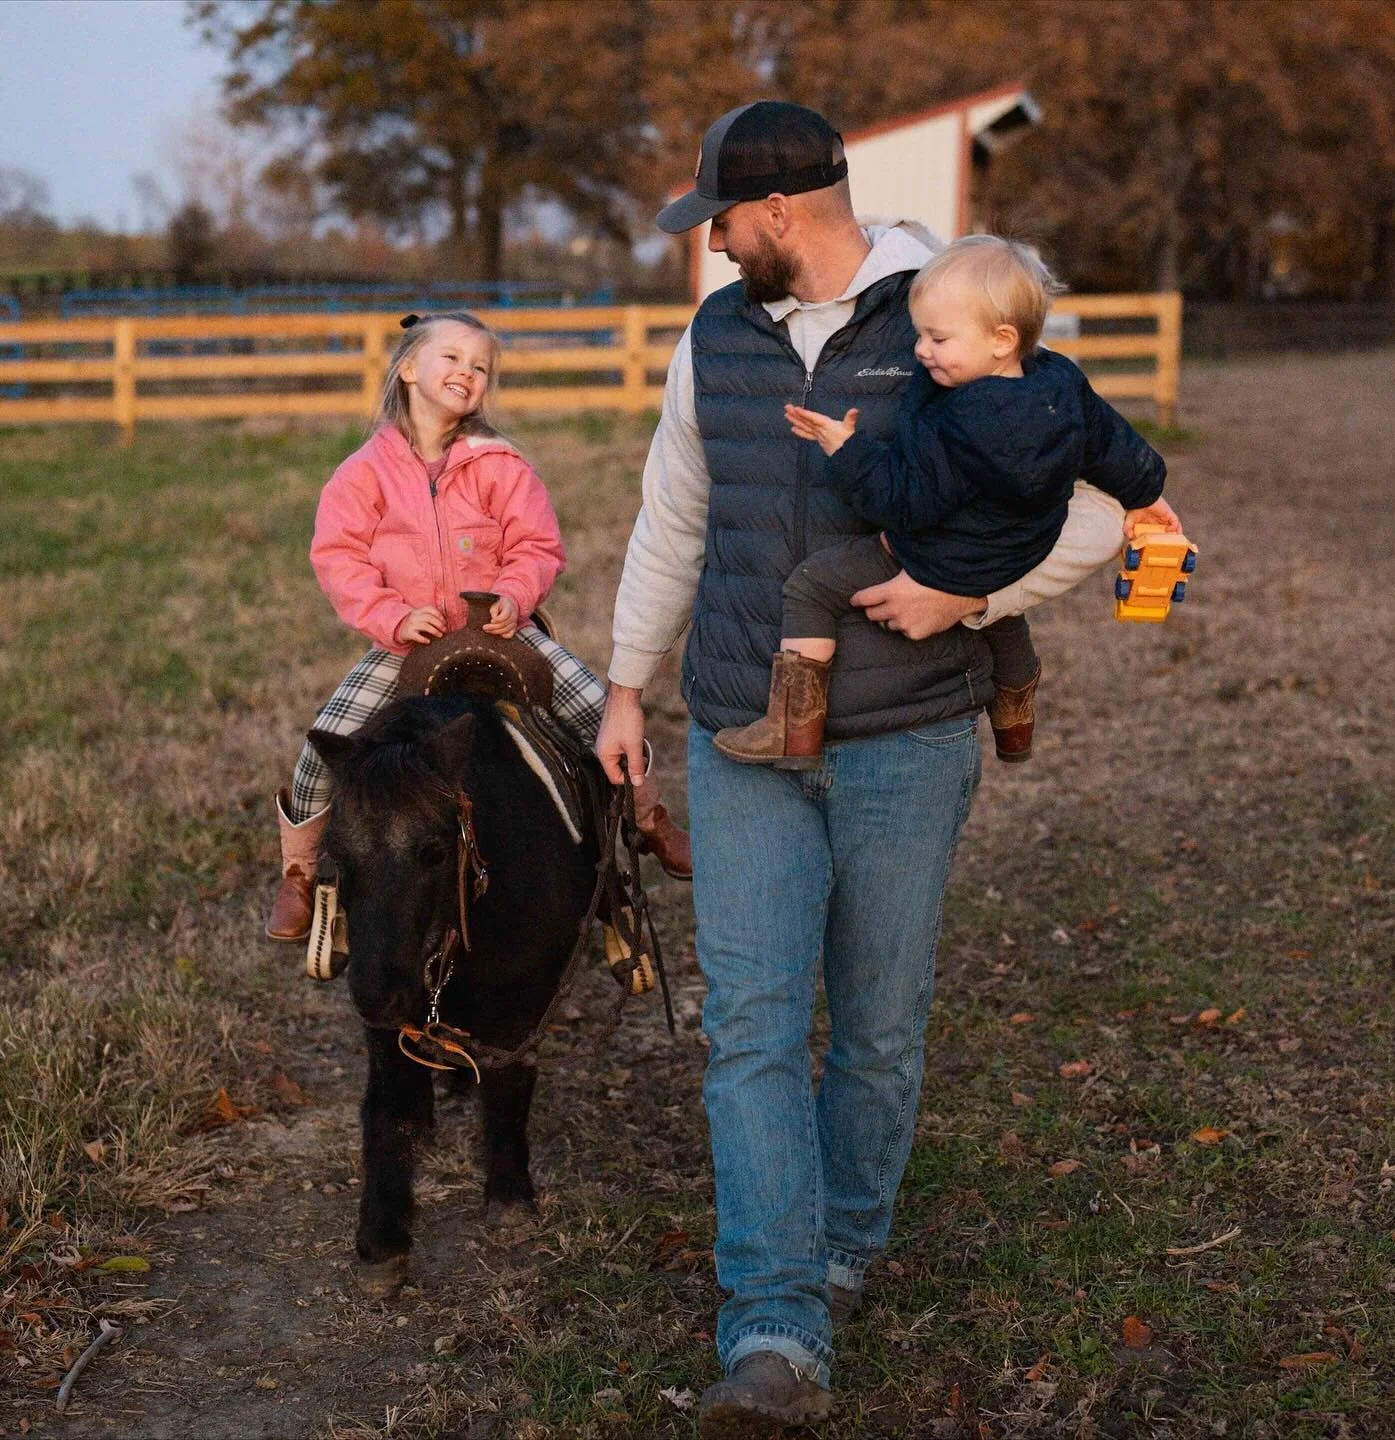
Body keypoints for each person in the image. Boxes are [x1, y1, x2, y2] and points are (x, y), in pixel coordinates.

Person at [593, 101, 1142, 1434]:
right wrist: (622, 683)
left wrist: (970, 603)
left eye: (721, 222)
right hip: (740, 731)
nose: (715, 249)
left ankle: (843, 1241)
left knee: (880, 1031)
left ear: (776, 212)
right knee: (755, 1031)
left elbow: (1100, 508)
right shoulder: (712, 338)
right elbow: (677, 512)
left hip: (904, 740)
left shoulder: (952, 310)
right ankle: (775, 1320)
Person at [265, 311, 690, 944]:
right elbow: (340, 559)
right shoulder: (363, 473)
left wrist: (516, 597)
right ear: (408, 368)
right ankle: (299, 872)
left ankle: (647, 818)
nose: (468, 373)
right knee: (325, 746)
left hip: (498, 633)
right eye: (453, 359)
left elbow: (536, 545)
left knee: (601, 713)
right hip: (408, 642)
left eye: (481, 366)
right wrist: (393, 617)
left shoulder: (501, 465)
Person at [712, 234, 1177, 770]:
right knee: (1002, 607)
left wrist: (848, 449)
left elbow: (902, 502)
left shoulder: (960, 421)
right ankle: (1015, 706)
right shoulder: (1060, 381)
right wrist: (1147, 494)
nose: (921, 350)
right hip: (1023, 546)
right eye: (921, 335)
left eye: (938, 338)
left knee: (811, 585)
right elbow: (1112, 443)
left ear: (1001, 339)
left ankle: (793, 728)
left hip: (943, 558)